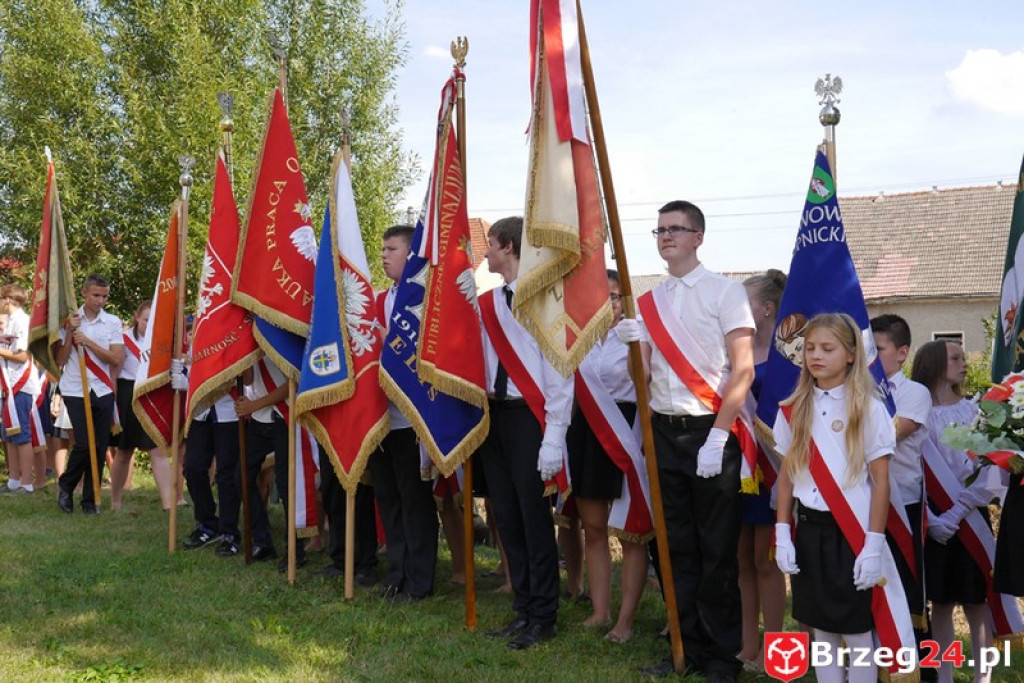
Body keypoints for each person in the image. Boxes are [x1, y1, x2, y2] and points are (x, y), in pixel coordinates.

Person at [617, 201, 754, 682]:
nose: (666, 236)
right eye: (660, 229)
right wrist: (633, 344)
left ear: (699, 236)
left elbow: (743, 369)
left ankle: (722, 658)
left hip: (709, 432)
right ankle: (687, 646)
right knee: (675, 549)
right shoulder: (650, 301)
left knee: (717, 551)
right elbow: (645, 375)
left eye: (676, 229)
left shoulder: (726, 292)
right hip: (663, 432)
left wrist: (719, 436)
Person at [773, 313, 896, 683]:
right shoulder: (793, 407)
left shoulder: (869, 408)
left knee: (857, 632)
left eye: (828, 348)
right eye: (810, 348)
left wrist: (873, 544)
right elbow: (786, 477)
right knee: (821, 631)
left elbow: (881, 482)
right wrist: (782, 534)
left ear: (851, 355)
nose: (816, 355)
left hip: (853, 534)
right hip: (810, 531)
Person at [478, 216, 572, 650]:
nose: (486, 253)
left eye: (492, 245)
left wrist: (554, 433)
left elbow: (558, 370)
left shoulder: (544, 297)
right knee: (507, 517)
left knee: (535, 521)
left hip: (528, 418)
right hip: (494, 417)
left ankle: (544, 615)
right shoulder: (488, 302)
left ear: (511, 247)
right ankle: (523, 608)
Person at [567, 269, 650, 642]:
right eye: (599, 296)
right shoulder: (576, 337)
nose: (606, 304)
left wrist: (637, 344)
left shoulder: (635, 333)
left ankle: (625, 621)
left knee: (631, 533)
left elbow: (644, 382)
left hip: (624, 430)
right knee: (595, 527)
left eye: (613, 297)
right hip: (585, 430)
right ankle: (601, 611)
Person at [911, 341, 996, 683]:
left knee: (978, 602)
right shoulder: (916, 415)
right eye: (956, 358)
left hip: (971, 519)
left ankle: (983, 676)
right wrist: (933, 521)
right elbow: (911, 472)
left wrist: (959, 510)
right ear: (933, 364)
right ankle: (943, 674)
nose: (964, 363)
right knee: (941, 604)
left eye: (963, 357)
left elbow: (990, 467)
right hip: (933, 522)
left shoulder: (976, 411)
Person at [370, 224, 439, 601]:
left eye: (391, 249)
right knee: (389, 498)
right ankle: (396, 574)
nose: (383, 255)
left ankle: (420, 579)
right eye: (381, 249)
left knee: (415, 500)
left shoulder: (424, 300)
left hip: (412, 418)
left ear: (410, 255)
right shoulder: (379, 300)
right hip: (381, 417)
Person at [871, 313, 933, 664]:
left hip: (902, 504)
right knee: (871, 587)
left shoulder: (914, 393)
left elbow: (888, 434)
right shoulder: (856, 390)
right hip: (864, 502)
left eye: (878, 349)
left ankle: (913, 668)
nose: (870, 357)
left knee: (906, 590)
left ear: (902, 353)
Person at [735, 270, 788, 671]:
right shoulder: (732, 353)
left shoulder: (788, 360)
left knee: (766, 561)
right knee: (742, 560)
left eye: (745, 301)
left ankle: (776, 648)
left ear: (767, 308)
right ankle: (746, 645)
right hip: (738, 467)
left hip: (774, 469)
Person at [54, 274, 124, 514]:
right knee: (84, 444)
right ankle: (66, 486)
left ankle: (90, 499)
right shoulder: (69, 321)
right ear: (84, 293)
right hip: (75, 387)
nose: (100, 301)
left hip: (102, 388)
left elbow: (116, 358)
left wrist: (89, 343)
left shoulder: (113, 322)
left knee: (100, 445)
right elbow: (60, 360)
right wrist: (71, 335)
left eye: (104, 296)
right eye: (96, 295)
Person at [171, 361, 241, 557]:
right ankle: (207, 524)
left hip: (229, 410)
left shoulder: (235, 330)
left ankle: (229, 532)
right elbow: (196, 367)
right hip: (201, 410)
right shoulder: (201, 331)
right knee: (193, 468)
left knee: (227, 474)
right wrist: (182, 376)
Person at [110, 300, 173, 510]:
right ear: (137, 317)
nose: (149, 324)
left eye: (153, 321)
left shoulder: (161, 341)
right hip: (128, 395)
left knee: (157, 450)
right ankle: (115, 500)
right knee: (124, 451)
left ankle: (168, 503)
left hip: (151, 395)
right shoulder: (123, 338)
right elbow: (114, 373)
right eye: (146, 320)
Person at [0, 284, 41, 493]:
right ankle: (13, 480)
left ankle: (26, 482)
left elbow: (22, 355)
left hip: (20, 384)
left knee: (22, 433)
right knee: (9, 433)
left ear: (7, 299)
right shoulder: (7, 322)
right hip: (6, 385)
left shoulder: (23, 321)